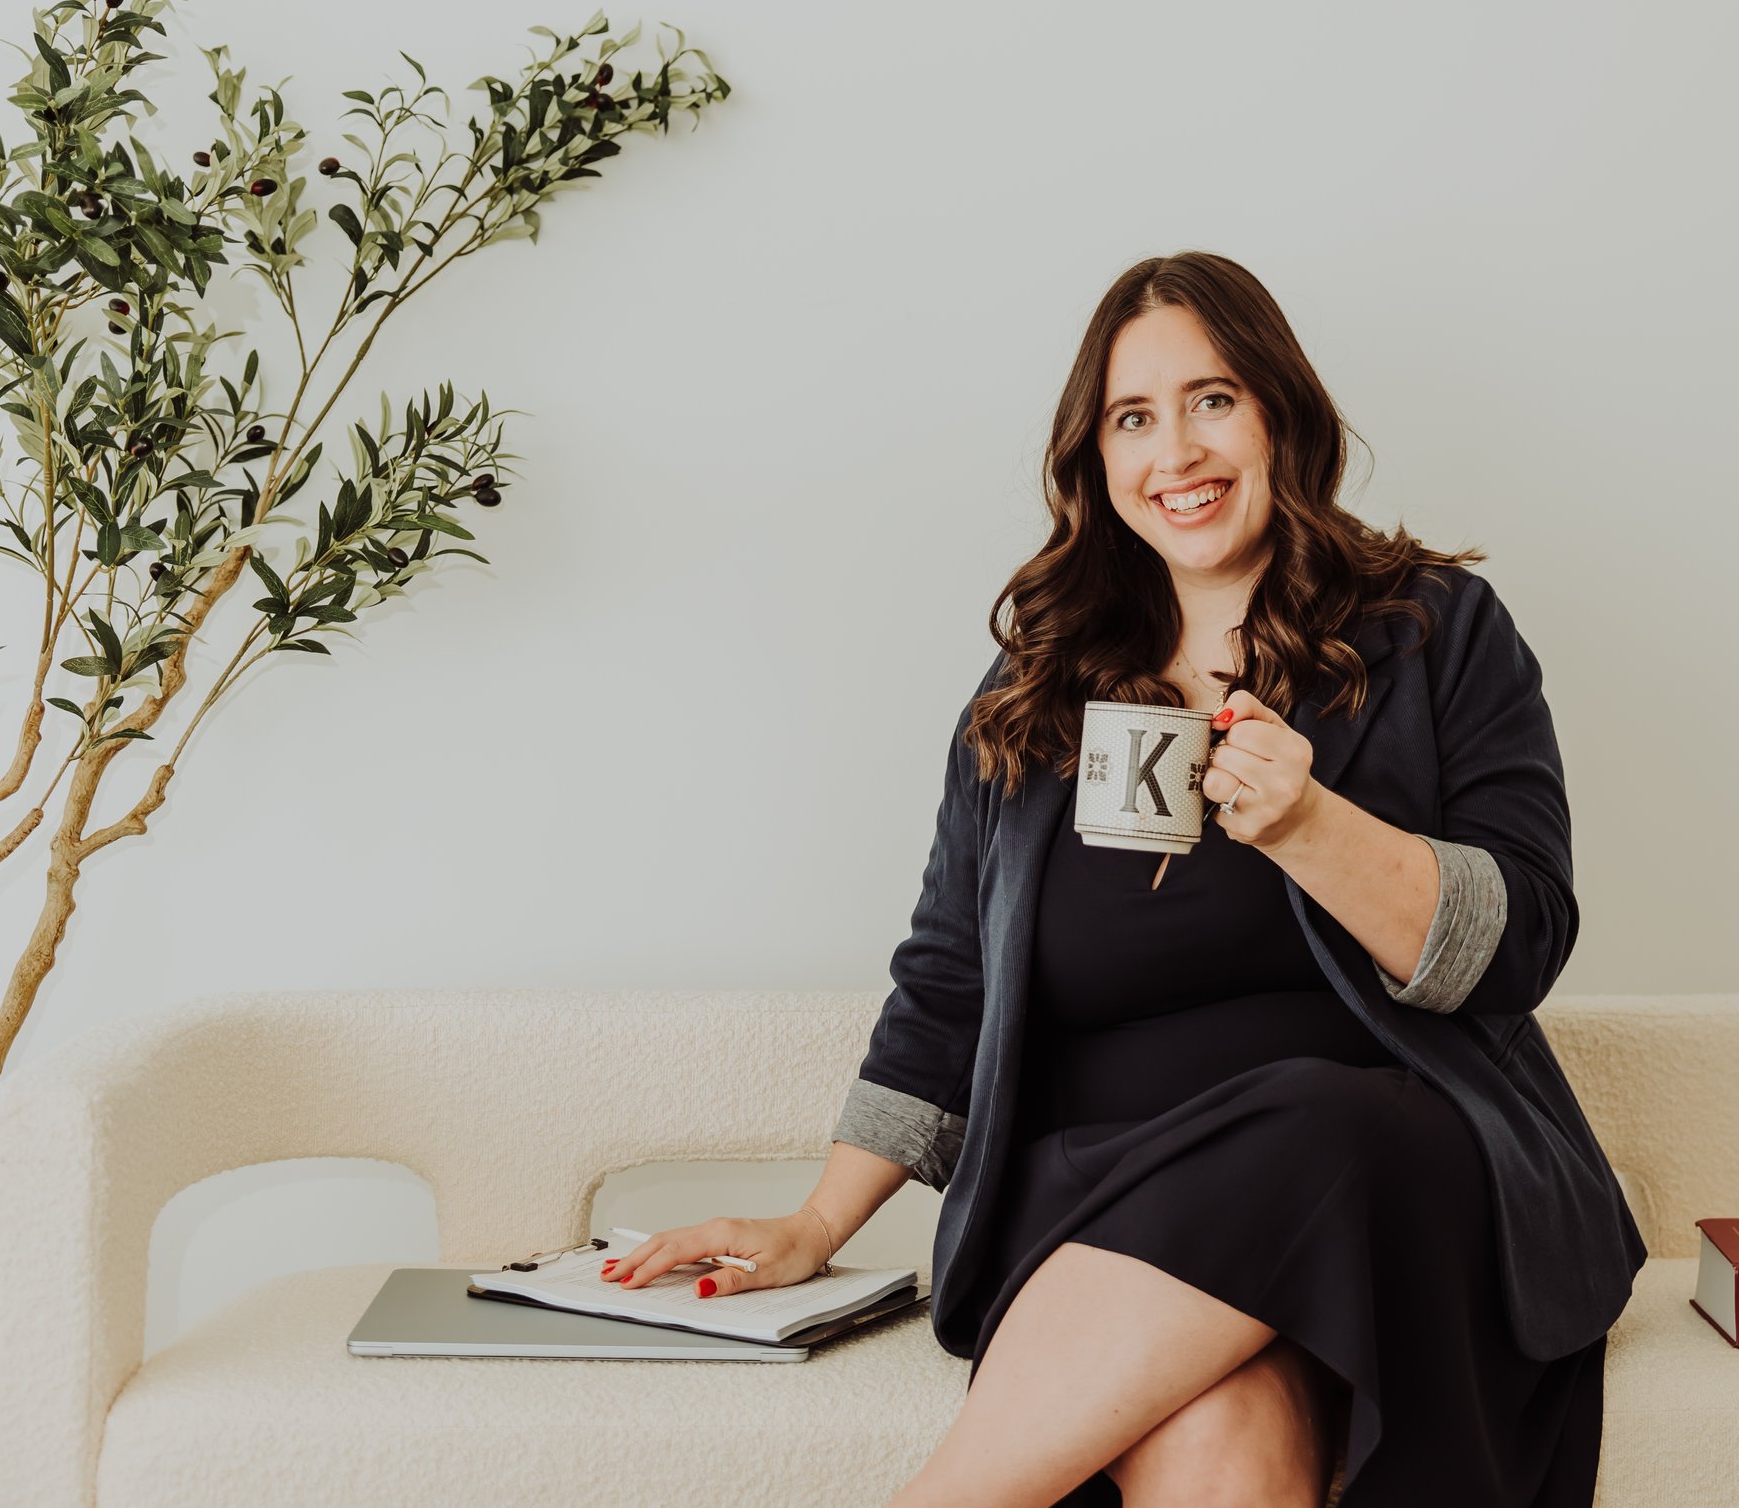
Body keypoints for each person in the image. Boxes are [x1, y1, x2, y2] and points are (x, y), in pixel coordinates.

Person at [609, 251, 1645, 1506]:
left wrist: (1311, 823)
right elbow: (947, 985)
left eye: (1213, 399)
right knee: (1213, 1436)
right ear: (1095, 462)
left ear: (1280, 412)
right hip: (1094, 1194)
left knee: (1326, 1113)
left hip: (1382, 1188)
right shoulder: (1033, 689)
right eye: (1132, 418)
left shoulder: (1436, 630)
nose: (1178, 451)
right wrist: (817, 1221)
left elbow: (1520, 938)